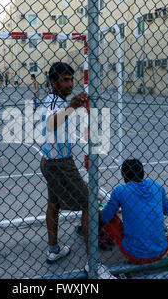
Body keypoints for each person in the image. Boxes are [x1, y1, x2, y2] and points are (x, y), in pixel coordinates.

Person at [40, 62, 115, 279]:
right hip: (60, 164)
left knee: (54, 203)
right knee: (89, 204)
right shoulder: (54, 102)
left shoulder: (56, 100)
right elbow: (52, 124)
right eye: (65, 79)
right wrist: (72, 107)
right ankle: (93, 263)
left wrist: (75, 107)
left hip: (52, 162)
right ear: (53, 81)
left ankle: (53, 250)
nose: (70, 83)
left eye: (71, 79)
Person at [100, 159, 168, 265]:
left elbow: (105, 217)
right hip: (161, 250)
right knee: (148, 217)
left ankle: (100, 236)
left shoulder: (120, 190)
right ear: (143, 173)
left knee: (107, 217)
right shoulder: (156, 185)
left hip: (136, 255)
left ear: (123, 175)